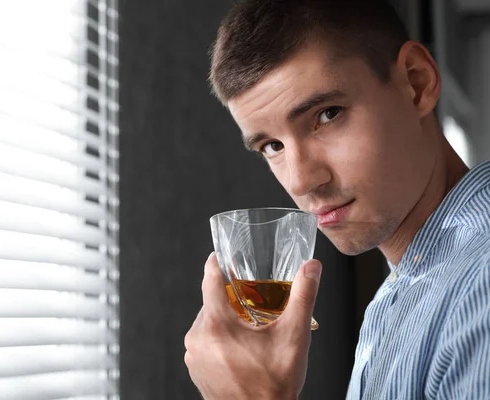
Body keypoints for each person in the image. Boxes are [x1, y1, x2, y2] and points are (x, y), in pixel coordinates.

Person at [183, 0, 490, 398]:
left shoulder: (480, 287)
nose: (301, 180)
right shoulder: (403, 289)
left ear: (416, 84)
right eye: (272, 145)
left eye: (327, 115)